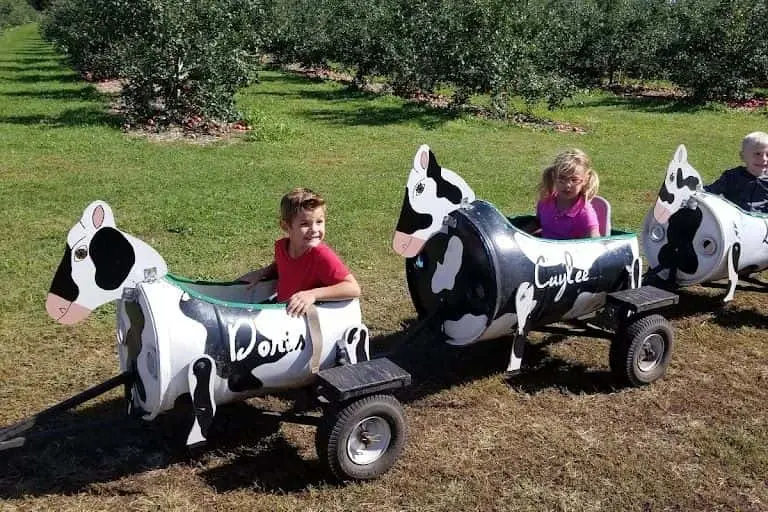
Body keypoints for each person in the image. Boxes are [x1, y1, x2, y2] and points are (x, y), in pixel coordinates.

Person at [240, 187, 361, 317]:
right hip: (283, 311)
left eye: (319, 222)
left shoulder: (321, 255)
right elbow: (288, 266)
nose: (314, 229)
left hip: (305, 321)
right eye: (305, 224)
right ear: (286, 227)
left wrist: (312, 294)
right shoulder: (282, 247)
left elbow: (353, 288)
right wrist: (264, 272)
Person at [536, 148, 601, 240]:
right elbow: (538, 224)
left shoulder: (584, 212)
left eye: (574, 180)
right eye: (562, 178)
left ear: (585, 180)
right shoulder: (545, 202)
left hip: (570, 253)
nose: (567, 185)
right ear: (554, 177)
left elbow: (595, 240)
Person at [704, 131, 768, 213]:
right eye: (757, 154)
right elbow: (710, 192)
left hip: (761, 222)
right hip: (734, 221)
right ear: (743, 156)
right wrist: (697, 192)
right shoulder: (732, 176)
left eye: (767, 154)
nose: (764, 159)